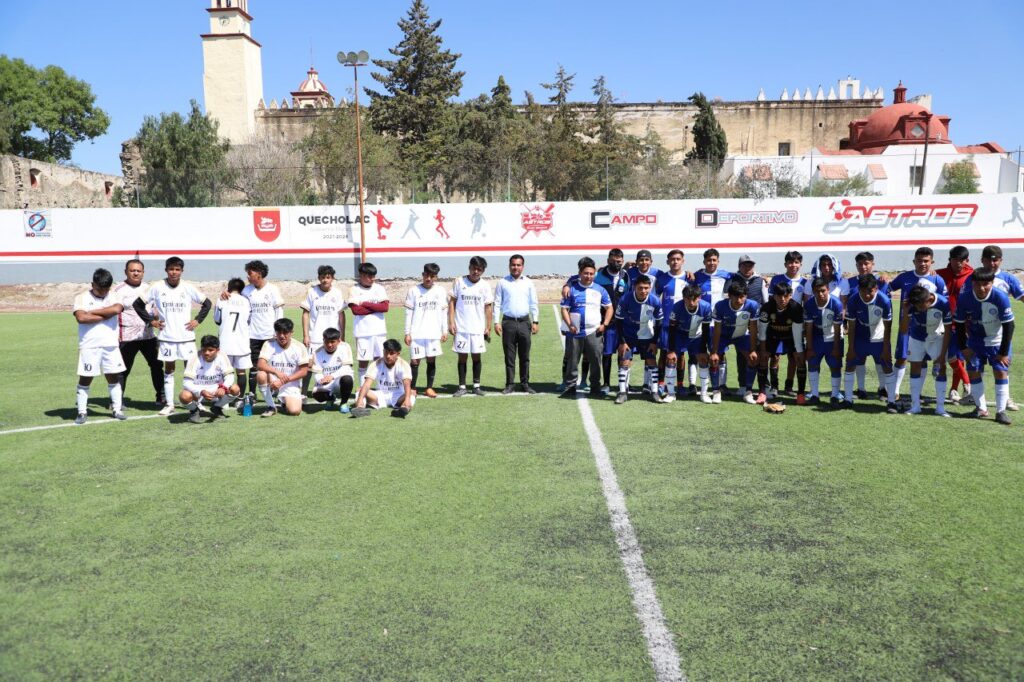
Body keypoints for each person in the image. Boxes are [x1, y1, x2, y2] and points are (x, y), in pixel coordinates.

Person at [132, 257, 212, 417]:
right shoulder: (157, 287)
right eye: (171, 269)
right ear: (166, 270)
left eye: (177, 269)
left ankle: (197, 402)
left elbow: (207, 303)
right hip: (167, 337)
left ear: (182, 271)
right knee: (169, 370)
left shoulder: (188, 287)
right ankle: (169, 404)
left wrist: (197, 320)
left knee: (191, 371)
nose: (174, 272)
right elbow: (137, 304)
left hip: (186, 337)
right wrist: (151, 321)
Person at [954, 267, 1015, 425]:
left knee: (1000, 372)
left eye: (986, 284)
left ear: (992, 283)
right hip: (975, 342)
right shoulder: (965, 298)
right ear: (972, 283)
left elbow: (1009, 326)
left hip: (997, 341)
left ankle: (1001, 412)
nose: (981, 288)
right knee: (973, 372)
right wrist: (964, 347)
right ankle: (981, 409)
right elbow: (959, 324)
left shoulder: (1000, 297)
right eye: (978, 284)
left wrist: (1003, 352)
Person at [890, 247, 947, 404]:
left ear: (932, 262)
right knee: (901, 358)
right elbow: (887, 289)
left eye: (926, 261)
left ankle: (917, 393)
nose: (922, 263)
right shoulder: (905, 277)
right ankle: (894, 392)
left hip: (928, 329)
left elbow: (944, 303)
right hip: (906, 326)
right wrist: (882, 279)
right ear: (914, 261)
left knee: (922, 360)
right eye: (919, 260)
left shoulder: (937, 280)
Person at [73, 268, 128, 424]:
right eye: (100, 289)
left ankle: (117, 409)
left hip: (110, 345)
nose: (104, 292)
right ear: (93, 284)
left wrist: (92, 312)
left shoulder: (115, 295)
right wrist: (106, 314)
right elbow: (81, 318)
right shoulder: (81, 297)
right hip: (89, 345)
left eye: (106, 289)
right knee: (86, 378)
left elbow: (117, 309)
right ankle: (82, 412)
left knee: (113, 377)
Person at [977, 244, 1023, 412]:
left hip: (999, 331)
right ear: (982, 260)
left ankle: (1006, 398)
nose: (992, 263)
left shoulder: (1008, 278)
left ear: (1001, 261)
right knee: (976, 366)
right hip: (977, 330)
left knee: (1002, 365)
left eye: (995, 260)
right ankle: (977, 399)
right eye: (988, 260)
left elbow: (1022, 296)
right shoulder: (975, 276)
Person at [113, 258, 164, 406]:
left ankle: (161, 396)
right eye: (132, 270)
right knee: (122, 370)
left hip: (148, 336)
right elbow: (113, 312)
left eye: (138, 271)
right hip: (127, 337)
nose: (135, 273)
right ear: (126, 272)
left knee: (157, 365)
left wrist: (157, 317)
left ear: (143, 273)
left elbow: (155, 311)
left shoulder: (149, 288)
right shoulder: (118, 290)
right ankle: (117, 400)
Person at [843, 274, 897, 413]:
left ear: (876, 288)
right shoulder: (853, 300)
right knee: (850, 365)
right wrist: (851, 348)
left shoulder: (884, 300)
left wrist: (886, 348)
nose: (867, 295)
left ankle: (891, 402)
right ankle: (848, 399)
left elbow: (888, 326)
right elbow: (851, 326)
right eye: (863, 291)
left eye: (870, 291)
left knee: (887, 367)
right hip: (860, 338)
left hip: (878, 338)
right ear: (858, 289)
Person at [841, 252, 891, 399]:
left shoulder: (881, 281)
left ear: (872, 264)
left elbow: (886, 304)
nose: (863, 267)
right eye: (860, 264)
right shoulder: (849, 282)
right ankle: (861, 389)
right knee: (859, 359)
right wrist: (845, 324)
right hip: (859, 329)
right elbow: (845, 303)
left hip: (878, 329)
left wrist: (886, 277)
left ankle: (883, 388)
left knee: (880, 359)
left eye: (866, 263)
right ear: (856, 265)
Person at [561, 257, 613, 397]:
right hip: (575, 331)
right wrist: (570, 324)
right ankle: (570, 387)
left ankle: (595, 387)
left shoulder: (600, 290)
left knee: (595, 360)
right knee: (573, 360)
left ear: (594, 274)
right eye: (585, 273)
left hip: (594, 331)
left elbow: (609, 308)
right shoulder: (571, 289)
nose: (588, 276)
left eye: (591, 273)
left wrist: (605, 324)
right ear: (580, 273)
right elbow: (564, 308)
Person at [613, 274, 664, 404]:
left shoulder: (655, 301)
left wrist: (654, 342)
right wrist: (622, 342)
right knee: (625, 361)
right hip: (628, 335)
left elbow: (659, 323)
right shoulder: (625, 299)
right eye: (640, 288)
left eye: (646, 288)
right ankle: (622, 393)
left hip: (646, 335)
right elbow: (618, 321)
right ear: (635, 287)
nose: (643, 291)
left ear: (650, 287)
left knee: (651, 361)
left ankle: (654, 392)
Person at [238, 260, 284, 400]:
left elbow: (279, 311)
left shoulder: (272, 289)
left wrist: (278, 331)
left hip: (270, 335)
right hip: (252, 335)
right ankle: (252, 393)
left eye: (250, 273)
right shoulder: (246, 291)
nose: (248, 276)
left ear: (259, 273)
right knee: (254, 365)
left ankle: (274, 390)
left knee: (271, 365)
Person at [448, 256, 494, 397]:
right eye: (474, 268)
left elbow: (488, 307)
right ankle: (462, 387)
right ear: (469, 267)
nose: (476, 272)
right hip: (461, 327)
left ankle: (476, 386)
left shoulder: (485, 286)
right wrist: (451, 322)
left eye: (479, 269)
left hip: (477, 328)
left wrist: (488, 326)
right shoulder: (459, 281)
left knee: (476, 357)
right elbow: (452, 302)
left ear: (483, 271)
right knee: (462, 357)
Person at [494, 254, 539, 394]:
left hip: (525, 322)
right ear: (509, 266)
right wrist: (496, 322)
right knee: (509, 356)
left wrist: (535, 321)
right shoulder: (502, 282)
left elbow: (533, 303)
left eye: (518, 265)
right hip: (508, 323)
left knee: (525, 356)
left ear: (522, 267)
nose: (516, 267)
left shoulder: (529, 283)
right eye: (513, 265)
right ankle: (510, 384)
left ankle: (525, 383)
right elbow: (497, 303)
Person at [905, 285, 953, 417]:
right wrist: (905, 311)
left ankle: (940, 408)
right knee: (915, 367)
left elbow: (948, 329)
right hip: (916, 339)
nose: (919, 309)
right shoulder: (912, 304)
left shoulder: (943, 303)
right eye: (917, 307)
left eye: (921, 306)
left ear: (929, 300)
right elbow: (903, 329)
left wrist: (942, 355)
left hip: (936, 338)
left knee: (941, 368)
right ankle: (915, 406)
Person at [709, 282, 760, 404]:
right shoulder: (720, 305)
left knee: (753, 358)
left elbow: (753, 329)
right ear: (729, 296)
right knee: (714, 359)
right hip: (723, 335)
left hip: (741, 335)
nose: (739, 300)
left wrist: (753, 350)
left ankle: (748, 392)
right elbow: (717, 329)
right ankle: (716, 391)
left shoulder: (752, 305)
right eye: (736, 296)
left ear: (746, 296)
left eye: (742, 296)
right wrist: (714, 352)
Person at [935, 245, 973, 404]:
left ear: (967, 260)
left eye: (961, 260)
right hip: (943, 322)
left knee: (959, 356)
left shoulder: (972, 275)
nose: (958, 263)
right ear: (949, 260)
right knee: (950, 356)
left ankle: (954, 389)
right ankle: (967, 384)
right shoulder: (938, 274)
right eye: (955, 259)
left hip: (964, 323)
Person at [756, 282, 806, 404]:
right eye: (779, 296)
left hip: (791, 336)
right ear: (774, 296)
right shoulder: (767, 308)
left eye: (785, 296)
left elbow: (797, 332)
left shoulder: (796, 308)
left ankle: (800, 394)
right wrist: (763, 349)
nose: (782, 299)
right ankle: (763, 392)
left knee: (799, 359)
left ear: (790, 295)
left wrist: (799, 351)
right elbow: (762, 330)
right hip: (772, 336)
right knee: (764, 358)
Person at [404, 262, 448, 398]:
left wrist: (444, 330)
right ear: (422, 275)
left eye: (432, 276)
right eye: (426, 275)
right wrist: (407, 333)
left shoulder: (440, 291)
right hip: (416, 333)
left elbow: (444, 312)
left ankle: (429, 388)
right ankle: (412, 388)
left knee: (431, 360)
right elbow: (408, 313)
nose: (428, 278)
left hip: (433, 333)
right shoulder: (414, 291)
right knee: (415, 361)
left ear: (436, 277)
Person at [300, 264, 346, 394]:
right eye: (322, 277)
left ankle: (335, 390)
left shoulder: (337, 293)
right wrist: (306, 335)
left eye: (328, 277)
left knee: (335, 363)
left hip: (332, 337)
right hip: (315, 337)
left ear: (332, 278)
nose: (325, 280)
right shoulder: (312, 292)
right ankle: (303, 393)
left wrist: (342, 335)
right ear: (319, 278)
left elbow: (341, 315)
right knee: (309, 365)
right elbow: (305, 313)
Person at [729, 255, 769, 396]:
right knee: (742, 355)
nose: (747, 268)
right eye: (744, 265)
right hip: (739, 323)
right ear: (739, 266)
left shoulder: (760, 280)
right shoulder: (732, 279)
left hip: (757, 322)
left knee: (760, 354)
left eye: (750, 265)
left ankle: (765, 386)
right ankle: (743, 385)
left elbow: (766, 302)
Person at [666, 285, 713, 403]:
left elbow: (706, 329)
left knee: (703, 359)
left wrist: (703, 349)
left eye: (694, 299)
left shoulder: (706, 307)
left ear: (699, 297)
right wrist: (671, 350)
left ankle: (704, 394)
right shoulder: (677, 307)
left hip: (696, 336)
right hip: (680, 334)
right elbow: (672, 329)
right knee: (671, 359)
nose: (691, 302)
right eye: (688, 299)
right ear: (683, 298)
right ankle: (671, 394)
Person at [802, 277, 845, 405]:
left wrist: (836, 348)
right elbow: (808, 327)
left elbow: (837, 328)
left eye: (823, 291)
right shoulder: (809, 304)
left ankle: (835, 395)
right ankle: (814, 395)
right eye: (817, 291)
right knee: (813, 364)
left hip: (833, 337)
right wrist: (809, 348)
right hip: (817, 338)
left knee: (835, 366)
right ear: (813, 292)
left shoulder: (836, 304)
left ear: (828, 289)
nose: (820, 294)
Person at [255, 317, 310, 417]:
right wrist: (276, 372)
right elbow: (260, 364)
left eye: (285, 333)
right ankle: (271, 406)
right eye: (279, 332)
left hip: (290, 382)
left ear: (291, 332)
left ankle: (284, 401)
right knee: (261, 374)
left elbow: (304, 371)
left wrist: (283, 381)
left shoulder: (299, 347)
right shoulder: (269, 344)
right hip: (272, 381)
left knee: (295, 411)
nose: (281, 336)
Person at [654, 249, 690, 401]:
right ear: (668, 261)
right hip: (666, 323)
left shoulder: (689, 278)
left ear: (683, 261)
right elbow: (655, 297)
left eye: (678, 259)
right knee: (664, 353)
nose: (675, 261)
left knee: (680, 355)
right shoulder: (662, 278)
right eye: (672, 259)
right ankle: (661, 383)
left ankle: (680, 384)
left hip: (683, 324)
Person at [348, 262, 390, 386]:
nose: (373, 279)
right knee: (363, 361)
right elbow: (356, 310)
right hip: (363, 332)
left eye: (374, 276)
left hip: (379, 331)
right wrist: (376, 307)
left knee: (380, 359)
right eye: (370, 276)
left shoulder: (379, 288)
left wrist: (366, 304)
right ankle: (363, 388)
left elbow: (385, 307)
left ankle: (381, 387)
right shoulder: (354, 290)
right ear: (361, 275)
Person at [180, 335, 239, 424]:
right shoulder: (194, 357)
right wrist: (201, 391)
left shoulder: (222, 356)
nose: (206, 353)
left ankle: (217, 407)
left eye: (210, 350)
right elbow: (186, 382)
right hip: (198, 392)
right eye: (204, 350)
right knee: (184, 396)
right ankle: (194, 410)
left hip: (216, 390)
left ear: (217, 350)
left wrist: (223, 387)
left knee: (235, 389)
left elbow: (230, 376)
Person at [768, 251, 804, 395]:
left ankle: (789, 386)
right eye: (790, 262)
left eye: (796, 262)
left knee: (793, 356)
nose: (793, 265)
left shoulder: (805, 282)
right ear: (785, 264)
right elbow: (771, 302)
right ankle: (774, 386)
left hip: (795, 326)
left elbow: (805, 304)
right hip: (777, 324)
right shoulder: (776, 279)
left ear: (800, 264)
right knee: (775, 356)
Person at [351, 338, 415, 418]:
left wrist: (407, 399)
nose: (388, 356)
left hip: (398, 395)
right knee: (360, 390)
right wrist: (360, 399)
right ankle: (360, 408)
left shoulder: (403, 365)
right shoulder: (376, 364)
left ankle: (403, 409)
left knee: (412, 393)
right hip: (380, 395)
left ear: (398, 354)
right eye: (386, 352)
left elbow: (407, 384)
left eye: (391, 353)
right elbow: (367, 384)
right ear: (383, 351)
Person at [213, 277, 252, 407]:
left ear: (228, 288)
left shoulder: (222, 299)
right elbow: (249, 320)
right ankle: (239, 399)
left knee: (224, 372)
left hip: (225, 342)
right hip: (242, 343)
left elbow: (217, 320)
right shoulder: (246, 301)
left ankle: (223, 400)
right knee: (241, 372)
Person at [310, 327, 354, 409]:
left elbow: (347, 368)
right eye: (327, 342)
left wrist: (332, 376)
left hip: (340, 380)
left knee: (347, 379)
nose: (329, 345)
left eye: (332, 342)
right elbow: (317, 373)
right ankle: (331, 398)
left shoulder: (345, 347)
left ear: (339, 341)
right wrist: (321, 380)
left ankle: (343, 403)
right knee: (316, 394)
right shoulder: (317, 353)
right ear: (323, 340)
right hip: (326, 381)